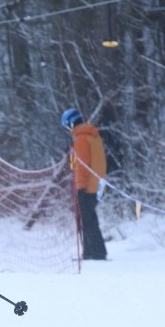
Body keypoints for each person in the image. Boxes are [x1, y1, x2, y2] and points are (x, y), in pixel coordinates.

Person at [61, 107, 107, 261]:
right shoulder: (93, 136)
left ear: (71, 123)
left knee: (87, 221)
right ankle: (90, 252)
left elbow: (82, 166)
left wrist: (79, 187)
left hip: (87, 187)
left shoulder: (81, 139)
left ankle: (98, 253)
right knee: (88, 219)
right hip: (97, 185)